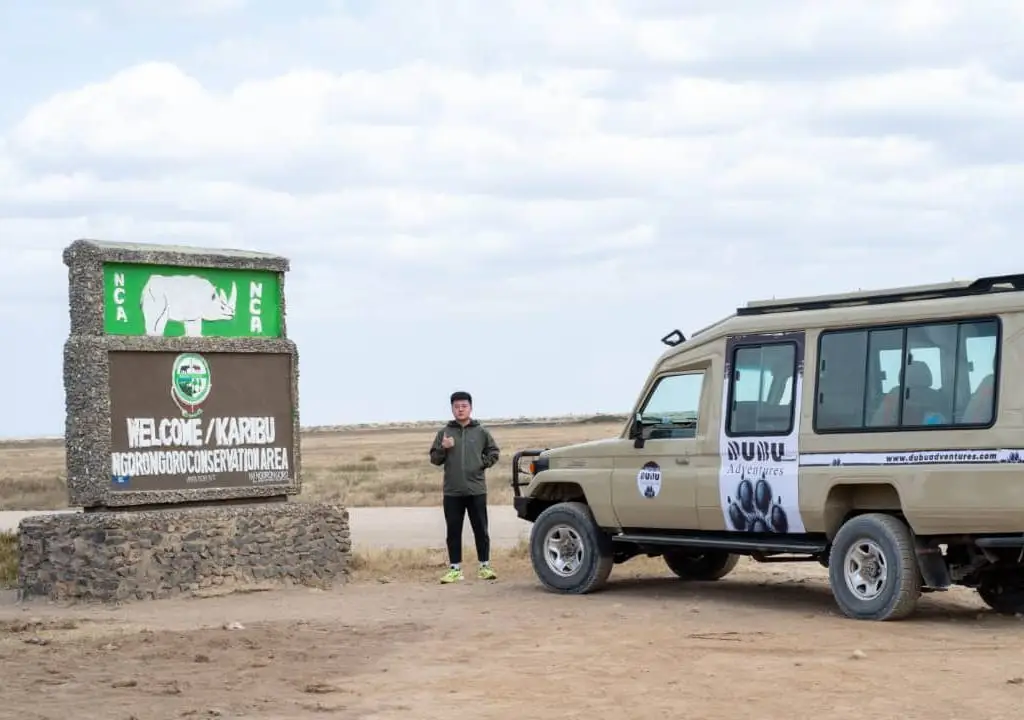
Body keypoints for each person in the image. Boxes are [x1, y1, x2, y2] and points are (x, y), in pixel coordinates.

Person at [429, 390, 501, 583]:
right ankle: (455, 569)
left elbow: (494, 452)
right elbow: (435, 459)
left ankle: (484, 567)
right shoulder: (444, 433)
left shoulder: (481, 432)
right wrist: (443, 448)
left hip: (476, 490)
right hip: (452, 491)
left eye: (464, 406)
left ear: (470, 407)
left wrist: (481, 463)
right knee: (453, 531)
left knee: (481, 530)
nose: (460, 410)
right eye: (456, 406)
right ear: (451, 408)